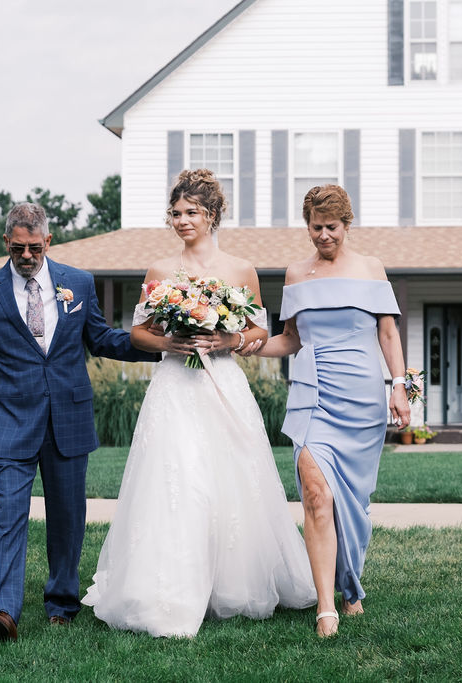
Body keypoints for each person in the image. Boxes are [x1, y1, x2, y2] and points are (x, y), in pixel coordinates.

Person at [81, 169, 316, 637]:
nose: (182, 220)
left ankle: (232, 584)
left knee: (229, 478)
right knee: (176, 480)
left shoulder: (240, 269)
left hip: (222, 383)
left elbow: (258, 331)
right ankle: (164, 589)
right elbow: (139, 332)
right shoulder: (160, 272)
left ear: (211, 216)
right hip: (175, 386)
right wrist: (172, 343)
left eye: (191, 213)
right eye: (176, 213)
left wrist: (226, 338)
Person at [0, 202, 159, 642]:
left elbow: (102, 338)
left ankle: (62, 603)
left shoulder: (79, 283)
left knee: (67, 517)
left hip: (68, 417)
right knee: (8, 513)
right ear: (5, 244)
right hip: (11, 420)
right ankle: (2, 611)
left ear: (48, 241)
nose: (26, 256)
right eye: (17, 249)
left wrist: (160, 344)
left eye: (34, 247)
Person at [247, 184, 411, 637]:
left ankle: (351, 586)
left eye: (332, 227)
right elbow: (290, 339)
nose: (324, 236)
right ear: (307, 226)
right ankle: (326, 606)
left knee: (353, 505)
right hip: (312, 392)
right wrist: (242, 344)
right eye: (316, 228)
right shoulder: (296, 274)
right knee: (316, 495)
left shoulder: (371, 269)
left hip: (363, 398)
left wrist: (402, 389)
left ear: (347, 224)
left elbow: (390, 337)